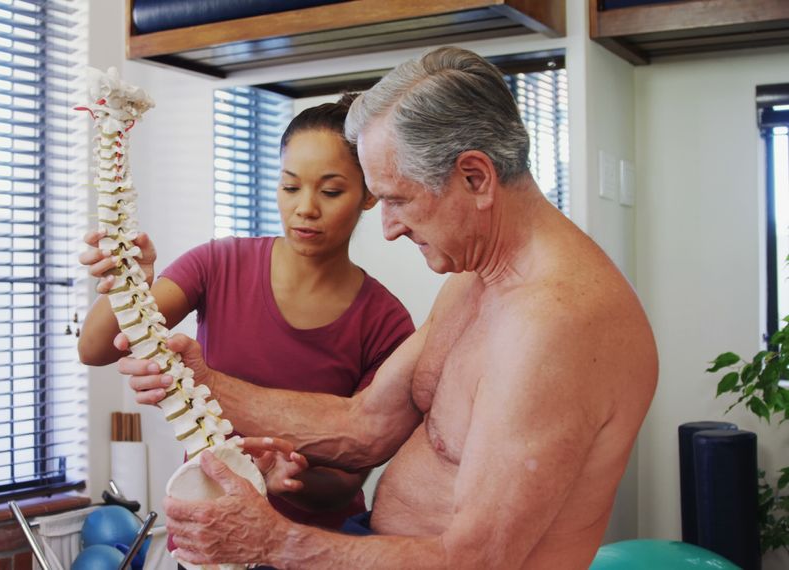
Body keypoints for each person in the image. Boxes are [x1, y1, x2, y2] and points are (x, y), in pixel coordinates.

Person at [118, 46, 659, 569]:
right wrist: (197, 380)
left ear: (475, 178)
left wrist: (272, 541)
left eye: (398, 200)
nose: (390, 227)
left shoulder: (557, 325)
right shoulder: (476, 278)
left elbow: (479, 558)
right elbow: (366, 425)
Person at [77, 95, 416, 532]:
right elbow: (95, 348)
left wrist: (287, 477)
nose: (305, 208)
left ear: (369, 194)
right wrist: (131, 283)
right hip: (207, 538)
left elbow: (346, 477)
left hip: (313, 548)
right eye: (290, 186)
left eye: (330, 191)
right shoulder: (218, 265)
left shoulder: (386, 323)